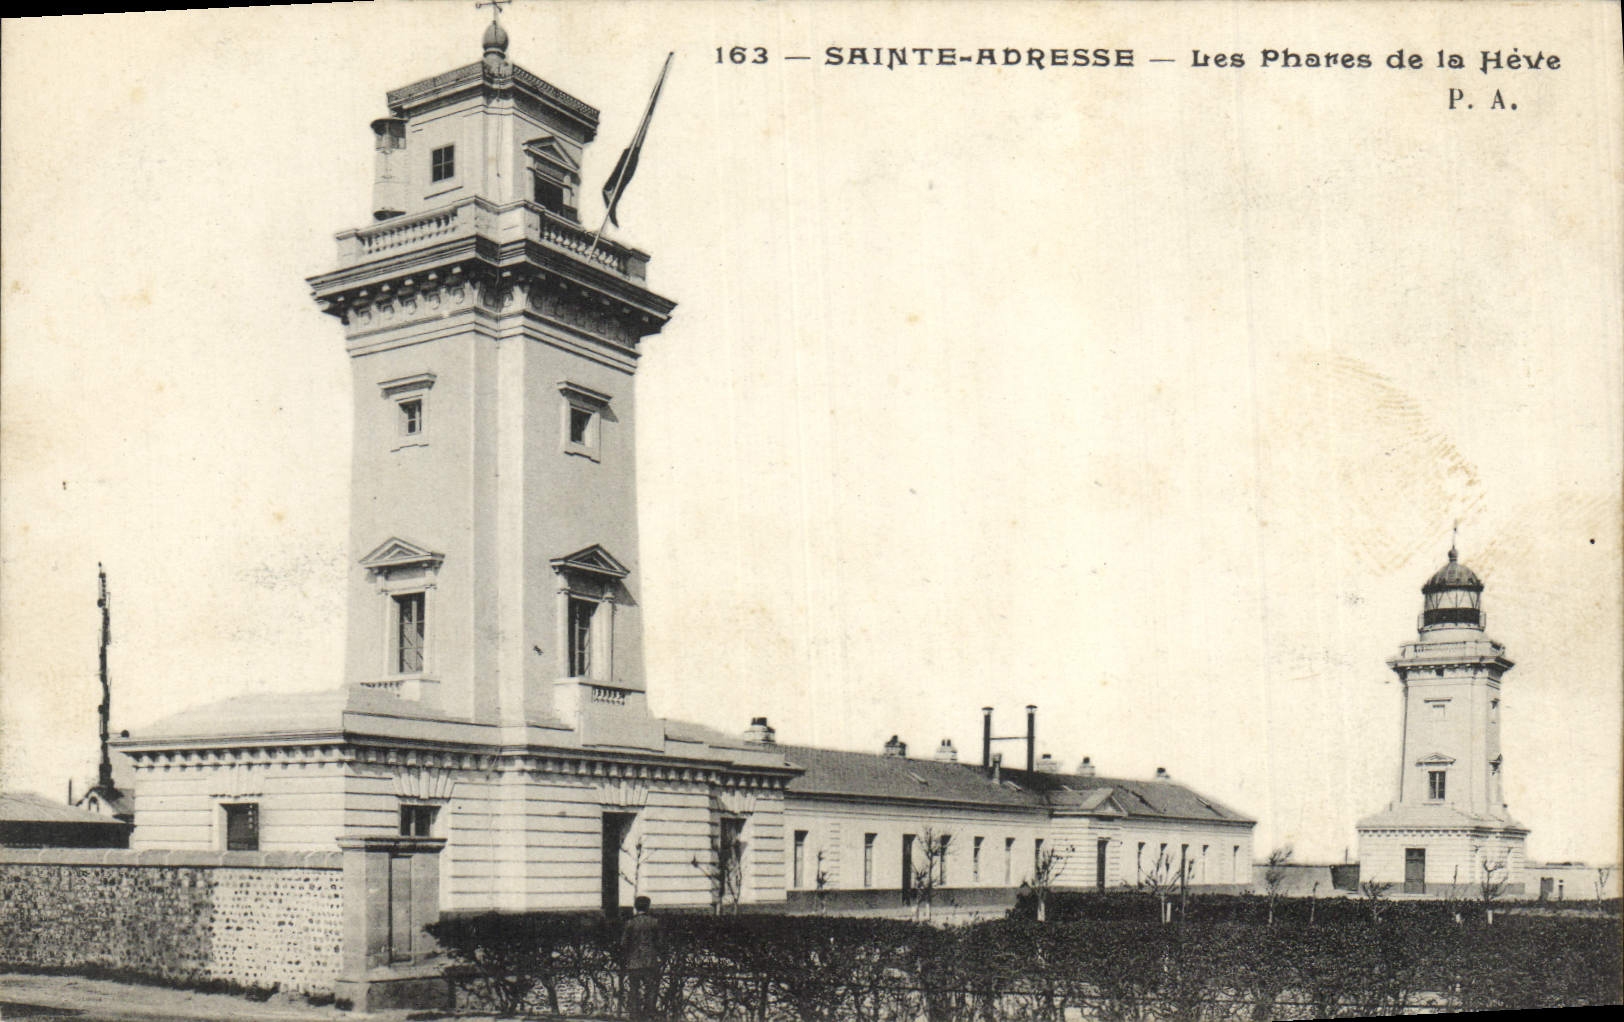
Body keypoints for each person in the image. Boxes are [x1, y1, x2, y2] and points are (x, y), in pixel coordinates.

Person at [621, 895, 660, 1021]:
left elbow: (623, 943)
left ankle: (634, 1016)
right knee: (650, 989)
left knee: (633, 990)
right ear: (648, 907)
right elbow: (659, 942)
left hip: (634, 961)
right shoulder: (654, 922)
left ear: (636, 907)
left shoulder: (630, 923)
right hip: (650, 961)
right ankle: (649, 1015)